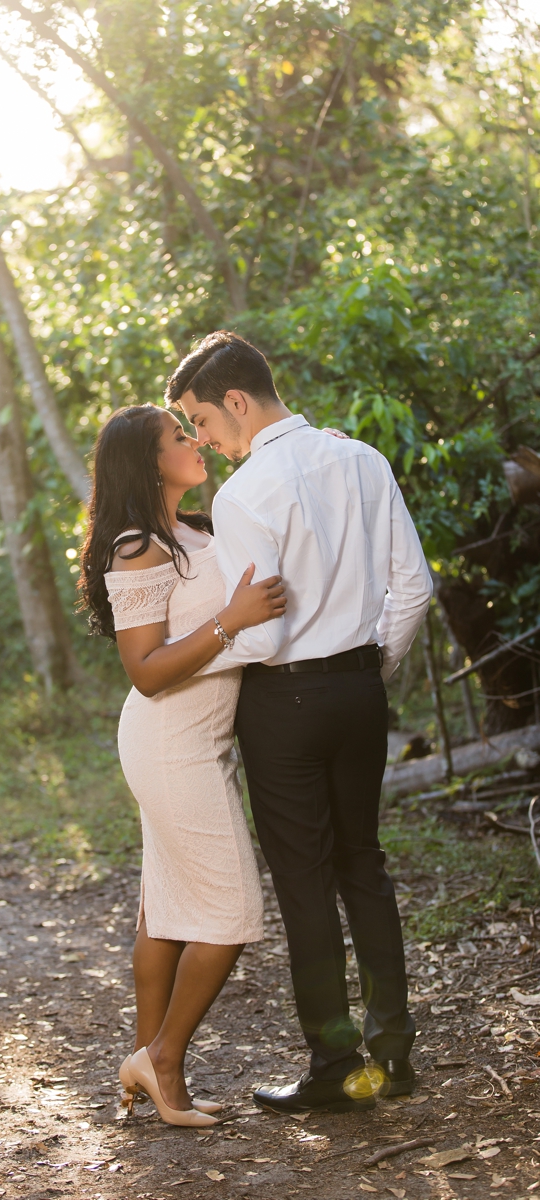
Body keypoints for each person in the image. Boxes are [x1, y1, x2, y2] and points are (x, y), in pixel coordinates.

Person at [165, 331, 433, 1114]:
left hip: (284, 704)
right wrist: (365, 673)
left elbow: (264, 634)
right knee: (364, 865)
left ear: (237, 403)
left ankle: (335, 1067)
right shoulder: (364, 460)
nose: (203, 440)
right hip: (360, 693)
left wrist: (192, 658)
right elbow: (410, 588)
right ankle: (395, 1053)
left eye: (202, 421)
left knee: (306, 884)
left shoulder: (243, 496)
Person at [78, 403, 287, 1127]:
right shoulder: (139, 547)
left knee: (164, 910)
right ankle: (162, 1058)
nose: (195, 440)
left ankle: (149, 1066)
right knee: (230, 913)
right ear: (148, 460)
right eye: (179, 436)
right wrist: (233, 618)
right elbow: (145, 670)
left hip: (204, 738)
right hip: (168, 739)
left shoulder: (198, 529)